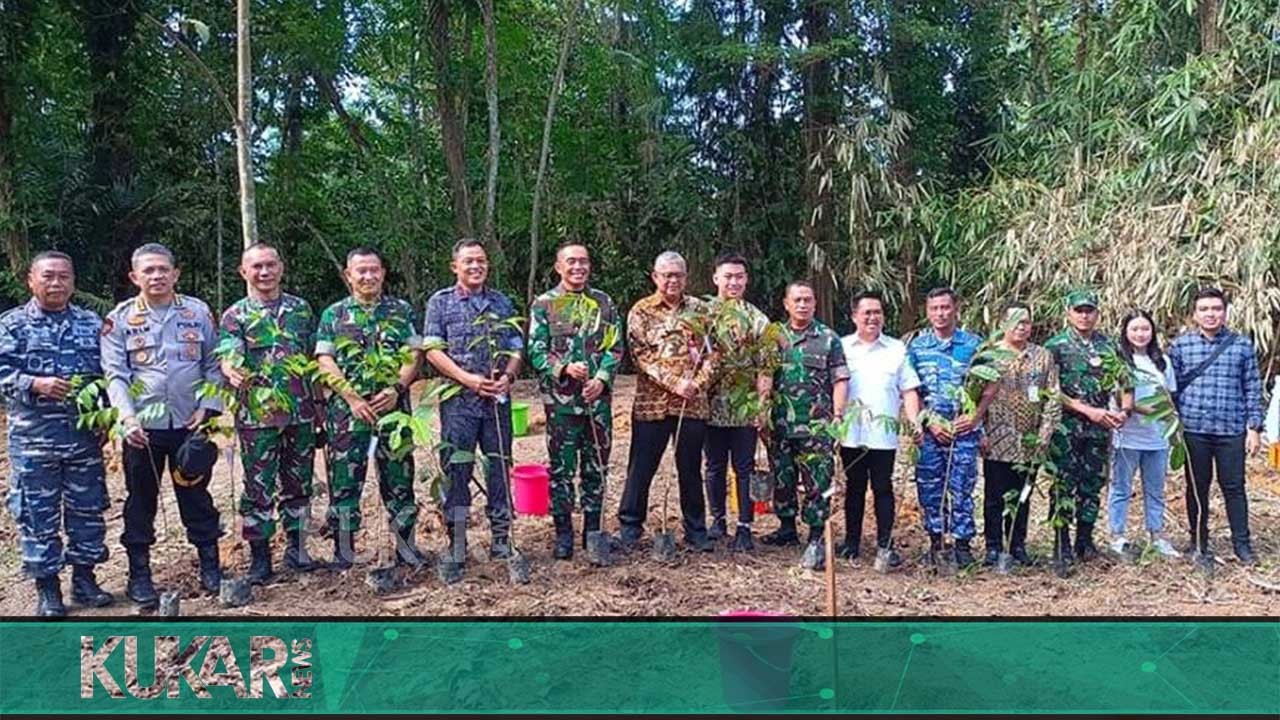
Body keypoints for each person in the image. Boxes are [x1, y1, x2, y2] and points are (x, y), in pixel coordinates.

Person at [101, 242, 225, 605]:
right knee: (141, 501)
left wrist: (208, 407)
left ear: (176, 273)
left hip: (191, 423)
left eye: (162, 270)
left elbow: (213, 364)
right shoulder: (120, 319)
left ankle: (211, 566)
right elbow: (115, 374)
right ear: (134, 276)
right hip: (143, 429)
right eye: (148, 270)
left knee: (196, 495)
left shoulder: (197, 312)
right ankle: (140, 575)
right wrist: (127, 418)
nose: (156, 276)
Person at [0, 252, 114, 616]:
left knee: (88, 510)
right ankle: (48, 589)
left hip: (83, 439)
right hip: (34, 441)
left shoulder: (90, 322)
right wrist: (35, 383)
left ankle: (85, 580)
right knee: (37, 514)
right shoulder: (13, 325)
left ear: (73, 281)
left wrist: (105, 416)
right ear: (31, 281)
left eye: (64, 276)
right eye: (48, 276)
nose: (56, 283)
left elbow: (107, 375)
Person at [219, 243, 325, 583]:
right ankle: (260, 559)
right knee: (258, 489)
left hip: (301, 413)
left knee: (299, 484)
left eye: (270, 265)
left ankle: (297, 550)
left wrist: (320, 406)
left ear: (281, 267)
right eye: (256, 267)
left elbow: (314, 361)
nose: (264, 273)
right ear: (243, 272)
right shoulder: (236, 315)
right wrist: (231, 369)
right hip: (257, 417)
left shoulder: (302, 310)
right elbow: (229, 354)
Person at [316, 247, 424, 570]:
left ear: (383, 273)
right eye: (361, 271)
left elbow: (414, 354)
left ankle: (406, 548)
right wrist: (351, 398)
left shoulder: (401, 311)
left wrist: (397, 388)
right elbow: (324, 359)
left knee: (399, 479)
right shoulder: (333, 315)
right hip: (349, 414)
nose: (368, 276)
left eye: (374, 270)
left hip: (392, 411)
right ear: (348, 276)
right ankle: (344, 552)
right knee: (345, 481)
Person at [424, 239, 523, 569]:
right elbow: (433, 350)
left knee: (498, 466)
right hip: (459, 402)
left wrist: (508, 376)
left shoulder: (501, 302)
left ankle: (501, 539)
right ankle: (458, 543)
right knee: (457, 470)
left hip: (496, 401)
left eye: (480, 261)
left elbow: (515, 346)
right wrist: (467, 378)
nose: (475, 266)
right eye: (468, 262)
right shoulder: (440, 303)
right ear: (455, 267)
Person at [617, 251, 718, 552]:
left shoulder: (701, 310)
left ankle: (696, 530)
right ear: (655, 277)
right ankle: (630, 527)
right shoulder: (641, 311)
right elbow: (641, 356)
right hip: (652, 405)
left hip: (692, 404)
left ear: (686, 278)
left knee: (689, 467)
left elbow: (713, 354)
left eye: (678, 275)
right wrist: (676, 383)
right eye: (666, 275)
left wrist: (696, 384)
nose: (672, 280)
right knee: (641, 465)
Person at [527, 243, 623, 559]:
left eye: (583, 261)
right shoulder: (545, 304)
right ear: (558, 267)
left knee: (597, 468)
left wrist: (603, 378)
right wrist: (564, 368)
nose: (578, 267)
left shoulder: (603, 302)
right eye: (571, 262)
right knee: (562, 471)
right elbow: (536, 352)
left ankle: (593, 533)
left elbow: (615, 347)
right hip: (562, 406)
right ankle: (564, 535)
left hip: (597, 405)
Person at [1168, 287, 1263, 565]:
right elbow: (1169, 391)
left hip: (1231, 430)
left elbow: (1252, 387)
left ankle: (1242, 545)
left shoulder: (1242, 345)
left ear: (1225, 312)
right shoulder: (1181, 346)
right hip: (1194, 429)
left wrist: (1254, 428)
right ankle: (1199, 543)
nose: (1211, 314)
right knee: (1197, 488)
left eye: (1216, 309)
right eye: (1204, 309)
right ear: (1195, 314)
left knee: (1234, 487)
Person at [762, 281, 848, 570]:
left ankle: (815, 535)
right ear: (786, 303)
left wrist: (837, 417)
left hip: (816, 425)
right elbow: (765, 375)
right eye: (797, 300)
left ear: (814, 304)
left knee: (817, 480)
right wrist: (762, 409)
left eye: (807, 300)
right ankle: (786, 528)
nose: (802, 305)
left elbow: (840, 379)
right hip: (780, 424)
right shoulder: (774, 336)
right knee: (782, 476)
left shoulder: (828, 338)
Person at [1045, 289, 1133, 571]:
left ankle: (1085, 540)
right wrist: (1087, 410)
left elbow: (1126, 382)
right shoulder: (1055, 347)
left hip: (1099, 428)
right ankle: (1062, 543)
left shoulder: (1108, 346)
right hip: (1066, 427)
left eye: (1089, 310)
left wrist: (1124, 410)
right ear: (1068, 313)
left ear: (1097, 313)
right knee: (1063, 485)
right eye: (1079, 310)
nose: (1084, 316)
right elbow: (1051, 391)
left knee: (1092, 483)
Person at [907, 287, 993, 567]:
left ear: (956, 308)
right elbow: (910, 389)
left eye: (945, 307)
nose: (940, 314)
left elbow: (990, 384)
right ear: (927, 311)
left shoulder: (974, 344)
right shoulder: (918, 346)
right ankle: (935, 541)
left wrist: (976, 417)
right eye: (934, 309)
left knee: (962, 486)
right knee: (930, 485)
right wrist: (927, 422)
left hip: (964, 427)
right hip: (931, 428)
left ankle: (963, 545)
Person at [837, 290, 921, 567]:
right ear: (854, 317)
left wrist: (914, 420)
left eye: (877, 312)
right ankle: (851, 542)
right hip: (852, 433)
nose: (873, 318)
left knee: (883, 487)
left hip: (884, 435)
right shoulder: (842, 347)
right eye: (867, 313)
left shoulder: (896, 348)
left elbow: (908, 388)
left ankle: (885, 544)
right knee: (854, 487)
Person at [979, 303, 1060, 566]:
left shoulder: (1043, 356)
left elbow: (1053, 396)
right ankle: (992, 546)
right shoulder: (988, 355)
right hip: (997, 438)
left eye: (1025, 321)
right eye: (1015, 321)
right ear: (1003, 323)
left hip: (1030, 441)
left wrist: (1045, 434)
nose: (1021, 326)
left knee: (1022, 494)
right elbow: (972, 398)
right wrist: (979, 431)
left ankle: (1017, 544)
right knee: (994, 495)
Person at [703, 252, 771, 551]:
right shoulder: (702, 314)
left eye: (739, 277)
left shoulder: (756, 319)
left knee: (743, 467)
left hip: (743, 408)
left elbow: (765, 366)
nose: (733, 282)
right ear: (716, 278)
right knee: (714, 465)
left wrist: (761, 404)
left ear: (746, 280)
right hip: (710, 407)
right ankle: (717, 519)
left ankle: (744, 524)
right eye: (728, 276)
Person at [1108, 310, 1180, 558]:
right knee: (1121, 488)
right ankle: (1117, 536)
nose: (1140, 334)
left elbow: (1169, 396)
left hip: (1157, 437)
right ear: (1126, 333)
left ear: (1153, 332)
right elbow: (1120, 398)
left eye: (1145, 329)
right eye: (1135, 329)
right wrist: (1148, 409)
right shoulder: (1118, 361)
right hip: (1127, 436)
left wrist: (1170, 423)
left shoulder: (1163, 362)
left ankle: (1156, 535)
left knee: (1155, 489)